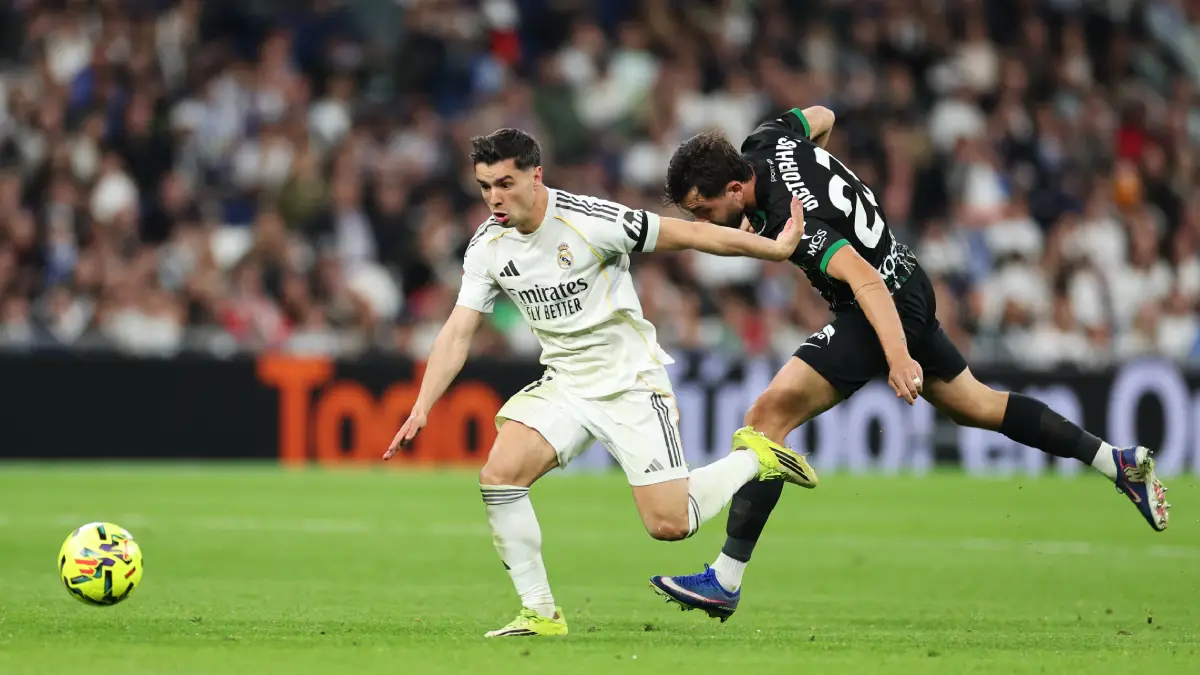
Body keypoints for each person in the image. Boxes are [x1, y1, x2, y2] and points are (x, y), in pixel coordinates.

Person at [647, 107, 1171, 622]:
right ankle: (1116, 462)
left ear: (735, 189)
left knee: (766, 421)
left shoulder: (796, 221)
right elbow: (824, 115)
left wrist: (897, 358)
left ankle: (725, 579)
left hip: (881, 304)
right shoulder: (767, 138)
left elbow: (865, 282)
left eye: (703, 210)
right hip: (908, 277)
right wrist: (815, 175)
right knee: (977, 405)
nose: (702, 224)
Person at [383, 128, 818, 638]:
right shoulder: (487, 247)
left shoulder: (592, 220)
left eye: (504, 183)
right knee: (499, 476)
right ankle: (539, 612)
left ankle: (756, 458)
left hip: (630, 383)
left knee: (669, 525)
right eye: (484, 186)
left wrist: (771, 250)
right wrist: (422, 406)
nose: (494, 198)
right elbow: (458, 331)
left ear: (535, 175)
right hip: (566, 382)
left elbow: (691, 234)